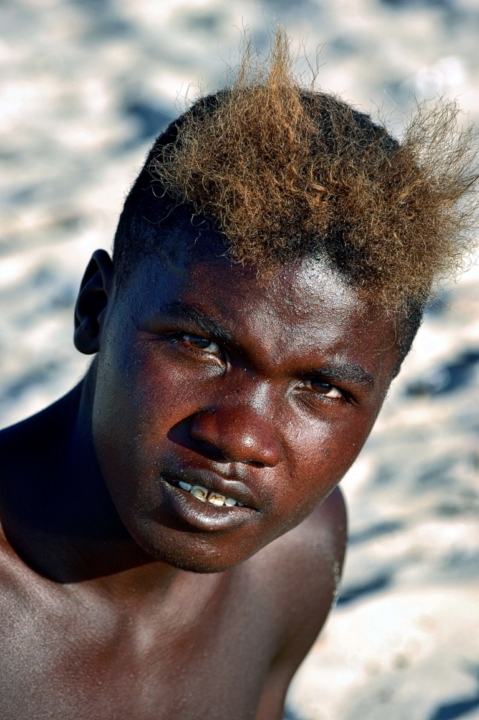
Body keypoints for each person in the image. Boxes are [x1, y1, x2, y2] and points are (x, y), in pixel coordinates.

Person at [0, 31, 477, 719]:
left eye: (323, 388)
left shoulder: (295, 557)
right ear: (95, 309)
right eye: (201, 345)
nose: (242, 437)